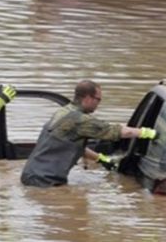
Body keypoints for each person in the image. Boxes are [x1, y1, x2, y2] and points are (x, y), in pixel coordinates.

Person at [20, 79, 157, 187]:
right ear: (88, 98)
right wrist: (147, 133)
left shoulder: (64, 111)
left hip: (31, 176)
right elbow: (115, 131)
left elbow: (72, 145)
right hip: (44, 182)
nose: (98, 104)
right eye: (98, 99)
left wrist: (100, 159)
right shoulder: (80, 120)